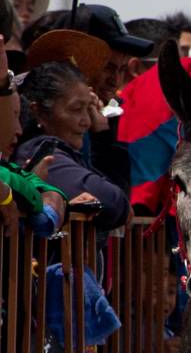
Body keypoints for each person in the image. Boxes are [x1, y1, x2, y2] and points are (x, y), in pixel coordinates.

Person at [15, 61, 130, 230]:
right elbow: (113, 201)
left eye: (88, 109)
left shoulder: (69, 153)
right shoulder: (42, 154)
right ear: (38, 112)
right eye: (76, 109)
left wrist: (102, 137)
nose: (87, 121)